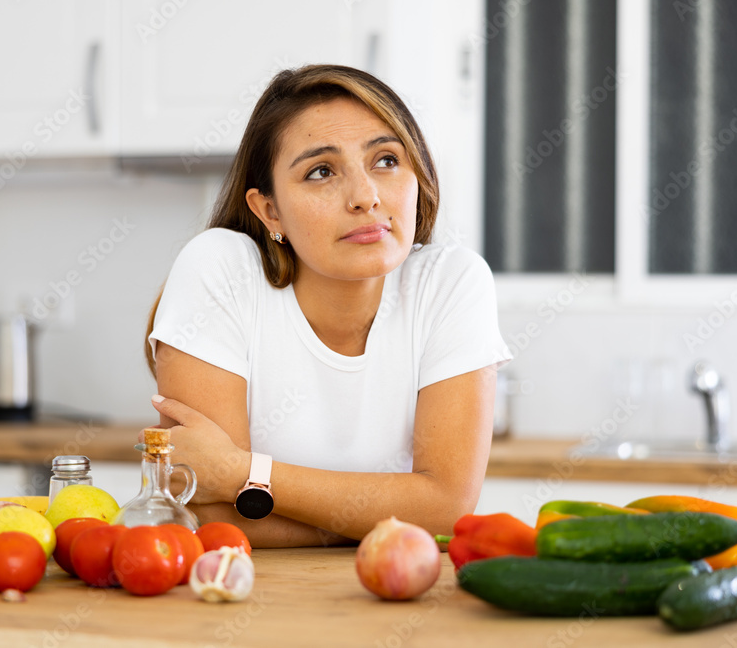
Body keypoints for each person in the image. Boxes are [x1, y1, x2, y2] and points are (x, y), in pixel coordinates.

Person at [144, 64, 511, 547]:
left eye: (385, 160)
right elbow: (213, 519)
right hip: (245, 598)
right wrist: (384, 517)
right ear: (269, 210)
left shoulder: (451, 282)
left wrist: (239, 473)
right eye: (321, 171)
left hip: (394, 601)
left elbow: (446, 508)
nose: (366, 196)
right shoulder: (219, 269)